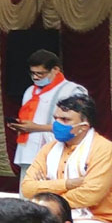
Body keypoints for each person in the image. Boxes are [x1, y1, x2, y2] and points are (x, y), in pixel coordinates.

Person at [21, 94, 112, 223]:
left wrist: (47, 194)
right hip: (51, 216)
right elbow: (28, 189)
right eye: (55, 118)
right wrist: (67, 184)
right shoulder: (49, 149)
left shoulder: (104, 149)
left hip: (98, 220)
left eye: (65, 120)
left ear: (83, 126)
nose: (57, 124)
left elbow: (89, 196)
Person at [8, 49, 87, 185]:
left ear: (55, 69)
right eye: (32, 73)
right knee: (28, 199)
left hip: (59, 153)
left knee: (54, 197)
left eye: (40, 73)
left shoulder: (72, 90)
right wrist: (21, 126)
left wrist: (36, 128)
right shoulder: (29, 91)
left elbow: (76, 126)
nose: (36, 77)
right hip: (28, 153)